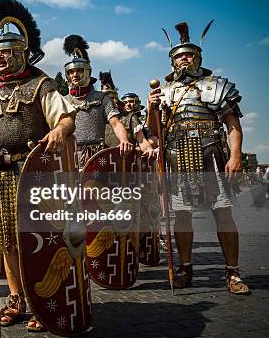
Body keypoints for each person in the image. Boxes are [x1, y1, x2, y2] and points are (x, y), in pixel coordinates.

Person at [0, 0, 75, 332]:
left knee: (37, 236)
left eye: (5, 52)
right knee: (6, 240)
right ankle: (17, 297)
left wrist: (59, 131)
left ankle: (41, 299)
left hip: (32, 173)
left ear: (21, 53)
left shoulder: (40, 85)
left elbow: (63, 117)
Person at [148, 21, 249, 294]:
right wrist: (151, 107)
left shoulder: (215, 85)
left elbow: (233, 125)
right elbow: (155, 130)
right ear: (172, 61)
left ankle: (232, 273)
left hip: (211, 155)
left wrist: (236, 156)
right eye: (180, 55)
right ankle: (185, 267)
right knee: (181, 215)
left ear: (199, 57)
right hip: (177, 156)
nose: (185, 58)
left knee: (223, 212)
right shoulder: (165, 92)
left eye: (190, 54)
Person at [61, 35, 135, 168]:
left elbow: (116, 123)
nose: (75, 75)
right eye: (71, 72)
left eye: (79, 70)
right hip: (69, 156)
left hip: (97, 155)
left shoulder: (102, 98)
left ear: (88, 72)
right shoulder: (63, 101)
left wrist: (124, 140)